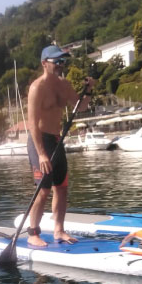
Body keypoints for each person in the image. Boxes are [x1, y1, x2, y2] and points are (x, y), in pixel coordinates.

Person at [26, 45, 94, 247]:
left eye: (63, 62)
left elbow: (80, 106)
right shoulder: (37, 88)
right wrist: (41, 154)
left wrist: (88, 90)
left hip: (57, 140)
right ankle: (33, 232)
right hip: (40, 141)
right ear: (44, 64)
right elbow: (32, 123)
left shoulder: (64, 85)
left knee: (62, 188)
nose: (61, 66)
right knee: (43, 190)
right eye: (57, 62)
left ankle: (59, 230)